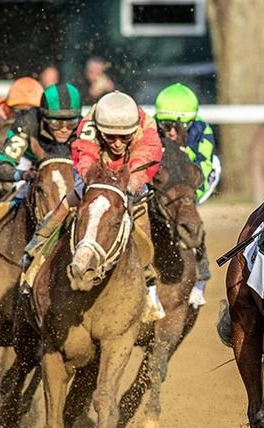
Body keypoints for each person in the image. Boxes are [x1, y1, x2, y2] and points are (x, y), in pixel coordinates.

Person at [20, 90, 165, 321]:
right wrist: (94, 182)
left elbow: (148, 155)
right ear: (99, 130)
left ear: (134, 131)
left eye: (124, 138)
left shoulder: (146, 126)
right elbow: (85, 155)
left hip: (129, 177)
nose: (117, 144)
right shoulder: (90, 122)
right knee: (69, 201)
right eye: (110, 137)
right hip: (96, 174)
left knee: (141, 213)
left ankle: (148, 286)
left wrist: (128, 186)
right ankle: (35, 251)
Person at [153, 82, 220, 308]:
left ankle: (201, 276)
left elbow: (204, 168)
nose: (171, 132)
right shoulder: (151, 129)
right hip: (168, 180)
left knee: (187, 213)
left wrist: (186, 200)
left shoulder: (203, 131)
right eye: (166, 125)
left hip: (199, 175)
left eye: (179, 126)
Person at [0, 82, 82, 208]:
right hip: (30, 162)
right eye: (56, 123)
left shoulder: (84, 128)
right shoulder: (27, 122)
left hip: (72, 168)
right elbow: (1, 166)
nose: (64, 129)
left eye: (71, 123)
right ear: (44, 117)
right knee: (10, 191)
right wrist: (23, 175)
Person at [0, 76, 44, 161]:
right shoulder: (1, 113)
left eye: (30, 112)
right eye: (19, 112)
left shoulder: (48, 122)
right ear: (8, 108)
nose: (25, 118)